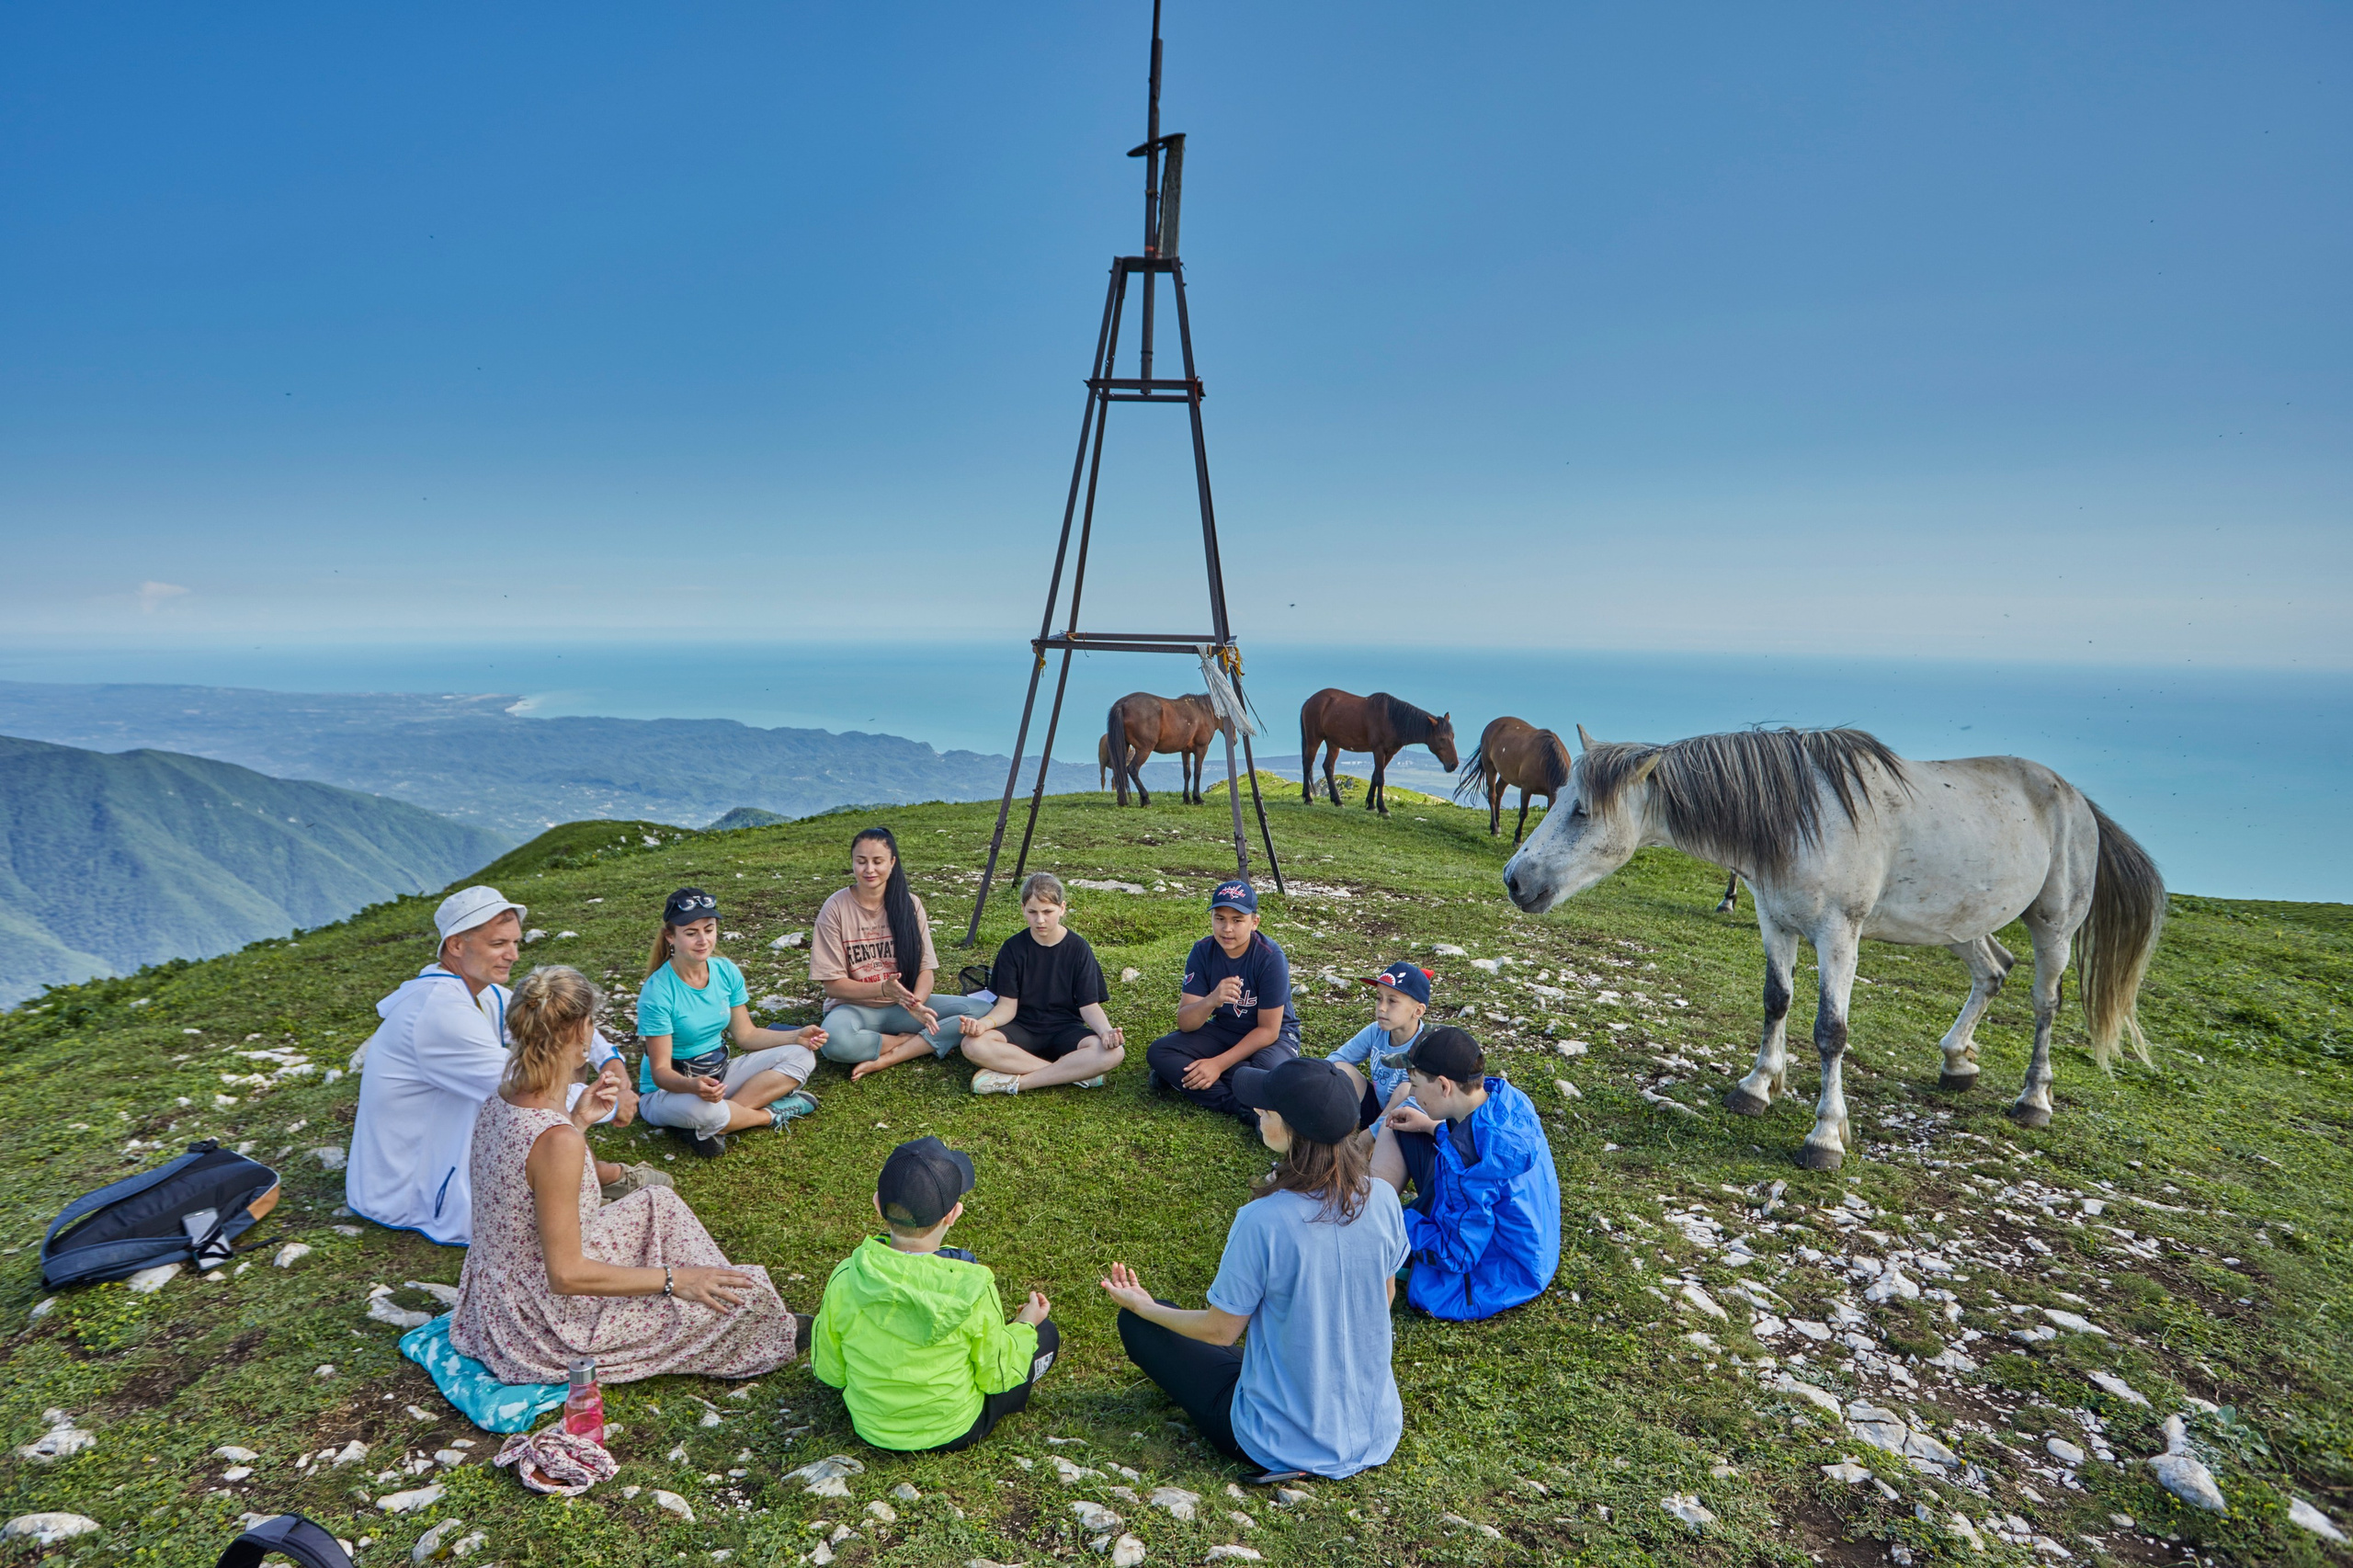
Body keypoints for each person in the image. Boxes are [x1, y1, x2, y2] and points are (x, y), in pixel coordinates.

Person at [449, 964, 801, 1384]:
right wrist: (676, 1281)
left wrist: (578, 1121)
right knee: (745, 1302)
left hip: (497, 1291)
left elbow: (530, 1178)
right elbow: (566, 1275)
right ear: (581, 1032)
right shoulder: (556, 1138)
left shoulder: (506, 1096)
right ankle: (733, 1311)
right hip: (537, 1319)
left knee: (658, 1201)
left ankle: (721, 1297)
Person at [1101, 1057, 1408, 1481]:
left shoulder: (1263, 1219)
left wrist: (1144, 1307)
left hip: (1280, 1441)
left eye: (1267, 1107)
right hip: (1375, 1430)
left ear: (1292, 1128)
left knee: (1143, 1329)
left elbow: (1220, 1332)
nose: (1258, 1111)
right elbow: (1385, 1296)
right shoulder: (1384, 1198)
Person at [348, 885, 654, 1246]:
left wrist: (613, 1062)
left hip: (448, 1147)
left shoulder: (481, 992)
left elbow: (561, 1019)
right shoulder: (438, 1013)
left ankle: (592, 1179)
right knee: (541, 1096)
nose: (512, 955)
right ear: (456, 945)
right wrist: (614, 1101)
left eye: (515, 943)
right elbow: (527, 1088)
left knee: (558, 1059)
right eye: (498, 944)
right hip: (410, 1189)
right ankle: (596, 1179)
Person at [810, 1137, 1058, 1452]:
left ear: (876, 1204)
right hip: (955, 1429)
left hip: (870, 1425)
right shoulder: (975, 1286)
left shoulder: (846, 1275)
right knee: (1045, 1334)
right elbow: (996, 1375)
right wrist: (1025, 1324)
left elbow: (829, 1370)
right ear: (953, 1214)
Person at [1370, 1027, 1562, 1322]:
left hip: (1507, 1269)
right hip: (1534, 1247)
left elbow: (1455, 1255)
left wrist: (1392, 1220)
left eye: (1415, 1084)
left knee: (1379, 1232)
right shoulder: (1505, 1099)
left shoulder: (1472, 1165)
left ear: (1445, 1086)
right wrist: (1430, 1126)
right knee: (1412, 1136)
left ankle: (1370, 1212)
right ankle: (1377, 1208)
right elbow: (1474, 1144)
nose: (1411, 1092)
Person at [637, 886, 828, 1158]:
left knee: (803, 1056)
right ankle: (768, 1115)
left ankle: (719, 1124)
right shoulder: (657, 992)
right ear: (670, 936)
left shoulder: (725, 971)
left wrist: (796, 1036)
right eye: (691, 933)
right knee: (707, 1111)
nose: (703, 940)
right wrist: (693, 1086)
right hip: (667, 1091)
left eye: (709, 929)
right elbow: (660, 1072)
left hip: (720, 1075)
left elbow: (746, 1035)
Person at [809, 826, 992, 1080]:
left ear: (892, 862)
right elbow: (833, 986)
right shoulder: (835, 908)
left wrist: (915, 1004)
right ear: (852, 862)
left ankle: (895, 1052)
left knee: (982, 1011)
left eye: (877, 861)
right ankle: (910, 1042)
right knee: (834, 1043)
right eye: (861, 862)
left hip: (904, 1008)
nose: (869, 870)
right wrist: (884, 989)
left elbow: (925, 970)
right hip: (854, 1009)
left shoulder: (910, 904)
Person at [956, 872, 1127, 1096]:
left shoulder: (1078, 948)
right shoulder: (1013, 948)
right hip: (1023, 1027)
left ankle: (1017, 1082)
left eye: (1048, 912)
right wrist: (984, 1024)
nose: (1040, 920)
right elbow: (1007, 1007)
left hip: (1065, 1029)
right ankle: (1073, 1074)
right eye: (1032, 912)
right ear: (1022, 909)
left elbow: (1089, 1005)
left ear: (1062, 908)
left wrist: (1106, 1032)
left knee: (1114, 1053)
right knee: (972, 1044)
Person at [1144, 880, 1301, 1122]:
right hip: (1225, 1031)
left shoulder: (1270, 957)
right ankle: (1241, 1106)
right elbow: (1186, 1023)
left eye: (1237, 920)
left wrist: (1217, 1065)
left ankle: (1205, 1079)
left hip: (1275, 1038)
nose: (1227, 928)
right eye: (1220, 918)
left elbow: (1269, 1031)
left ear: (1254, 922)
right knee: (1160, 1051)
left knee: (1267, 1072)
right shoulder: (1202, 951)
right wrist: (1211, 1000)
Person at [1326, 961, 1432, 1146]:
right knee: (1339, 1068)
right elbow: (1336, 1059)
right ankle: (1334, 1129)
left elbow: (1418, 1102)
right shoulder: (1376, 1031)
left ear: (1418, 1011)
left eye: (1392, 1001)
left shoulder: (1426, 1046)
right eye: (1378, 998)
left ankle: (1370, 1143)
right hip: (1378, 1110)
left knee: (1405, 1089)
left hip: (1408, 1120)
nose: (1381, 1007)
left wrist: (1371, 1134)